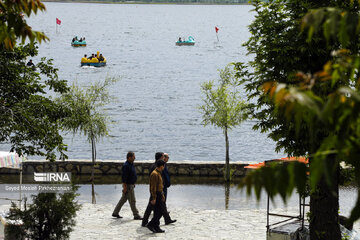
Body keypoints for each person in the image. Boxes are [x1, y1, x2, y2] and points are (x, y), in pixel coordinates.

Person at [142, 152, 176, 227]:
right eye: (163, 157)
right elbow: (154, 182)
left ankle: (166, 219)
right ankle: (149, 223)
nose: (164, 158)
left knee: (161, 206)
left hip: (160, 190)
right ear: (160, 157)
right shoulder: (156, 168)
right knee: (153, 207)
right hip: (157, 191)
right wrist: (154, 194)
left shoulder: (159, 166)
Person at [112, 151, 142, 220]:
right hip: (128, 186)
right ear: (129, 157)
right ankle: (136, 214)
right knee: (132, 200)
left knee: (123, 199)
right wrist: (125, 187)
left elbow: (132, 175)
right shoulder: (126, 166)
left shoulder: (131, 164)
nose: (135, 158)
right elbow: (124, 178)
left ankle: (115, 213)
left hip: (131, 185)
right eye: (133, 156)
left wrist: (134, 182)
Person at [146, 159, 167, 233]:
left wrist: (162, 195)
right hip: (156, 195)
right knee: (160, 211)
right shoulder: (154, 174)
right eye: (164, 166)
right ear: (161, 166)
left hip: (159, 194)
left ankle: (156, 226)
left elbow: (160, 186)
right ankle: (151, 224)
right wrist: (154, 197)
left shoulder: (158, 173)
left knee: (158, 211)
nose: (164, 167)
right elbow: (153, 187)